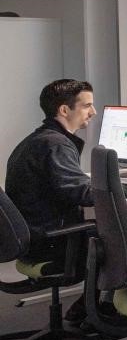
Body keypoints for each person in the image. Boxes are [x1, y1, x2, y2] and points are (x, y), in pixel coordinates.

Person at [5, 79, 98, 322]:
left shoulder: (37, 140)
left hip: (32, 239)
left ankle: (89, 307)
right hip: (50, 243)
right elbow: (81, 193)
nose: (93, 112)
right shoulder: (55, 145)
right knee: (118, 241)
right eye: (87, 105)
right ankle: (95, 311)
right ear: (64, 110)